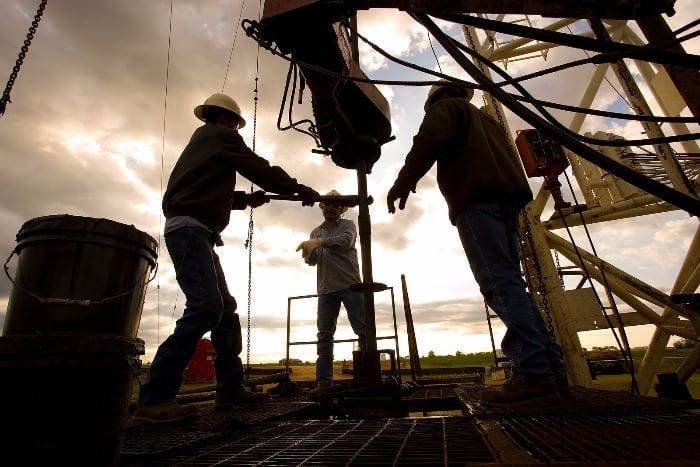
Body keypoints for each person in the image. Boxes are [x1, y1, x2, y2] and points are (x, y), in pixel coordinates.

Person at [133, 92, 319, 424]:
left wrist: (245, 200)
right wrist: (296, 187)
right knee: (206, 307)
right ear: (228, 119)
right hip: (190, 231)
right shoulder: (220, 135)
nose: (236, 129)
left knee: (225, 310)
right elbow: (256, 166)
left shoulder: (202, 142)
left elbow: (203, 187)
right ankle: (155, 398)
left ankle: (230, 390)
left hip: (196, 231)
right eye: (236, 123)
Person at [386, 80, 567, 406]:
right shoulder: (485, 119)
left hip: (476, 199)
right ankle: (552, 368)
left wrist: (403, 181)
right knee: (513, 283)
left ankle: (533, 375)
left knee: (498, 283)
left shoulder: (446, 110)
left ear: (435, 101)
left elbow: (428, 141)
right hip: (507, 201)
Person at [296, 190, 366, 398]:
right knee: (325, 335)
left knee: (363, 331)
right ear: (321, 207)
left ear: (343, 209)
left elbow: (346, 241)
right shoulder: (315, 231)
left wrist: (319, 243)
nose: (331, 208)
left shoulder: (348, 226)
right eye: (327, 204)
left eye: (336, 205)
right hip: (326, 288)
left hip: (350, 285)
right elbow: (315, 260)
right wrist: (309, 255)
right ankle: (324, 383)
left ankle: (365, 377)